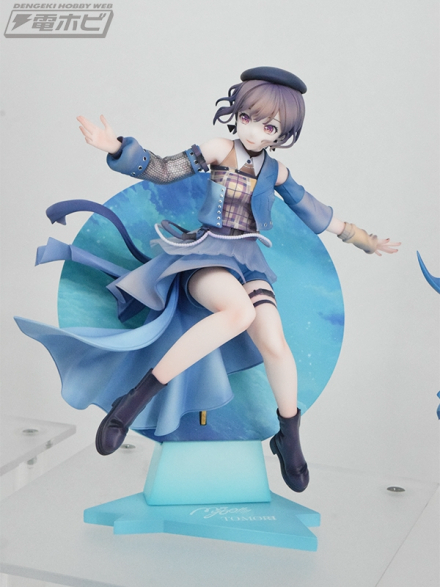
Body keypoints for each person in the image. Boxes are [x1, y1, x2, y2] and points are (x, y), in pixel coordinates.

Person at [18, 67, 400, 493]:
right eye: (248, 118)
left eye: (269, 126)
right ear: (237, 112)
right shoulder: (219, 148)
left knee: (274, 342)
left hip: (249, 261)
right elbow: (164, 169)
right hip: (205, 254)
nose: (253, 131)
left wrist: (365, 239)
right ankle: (133, 401)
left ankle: (288, 436)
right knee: (238, 313)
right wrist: (120, 149)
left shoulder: (276, 172)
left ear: (282, 134)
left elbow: (315, 212)